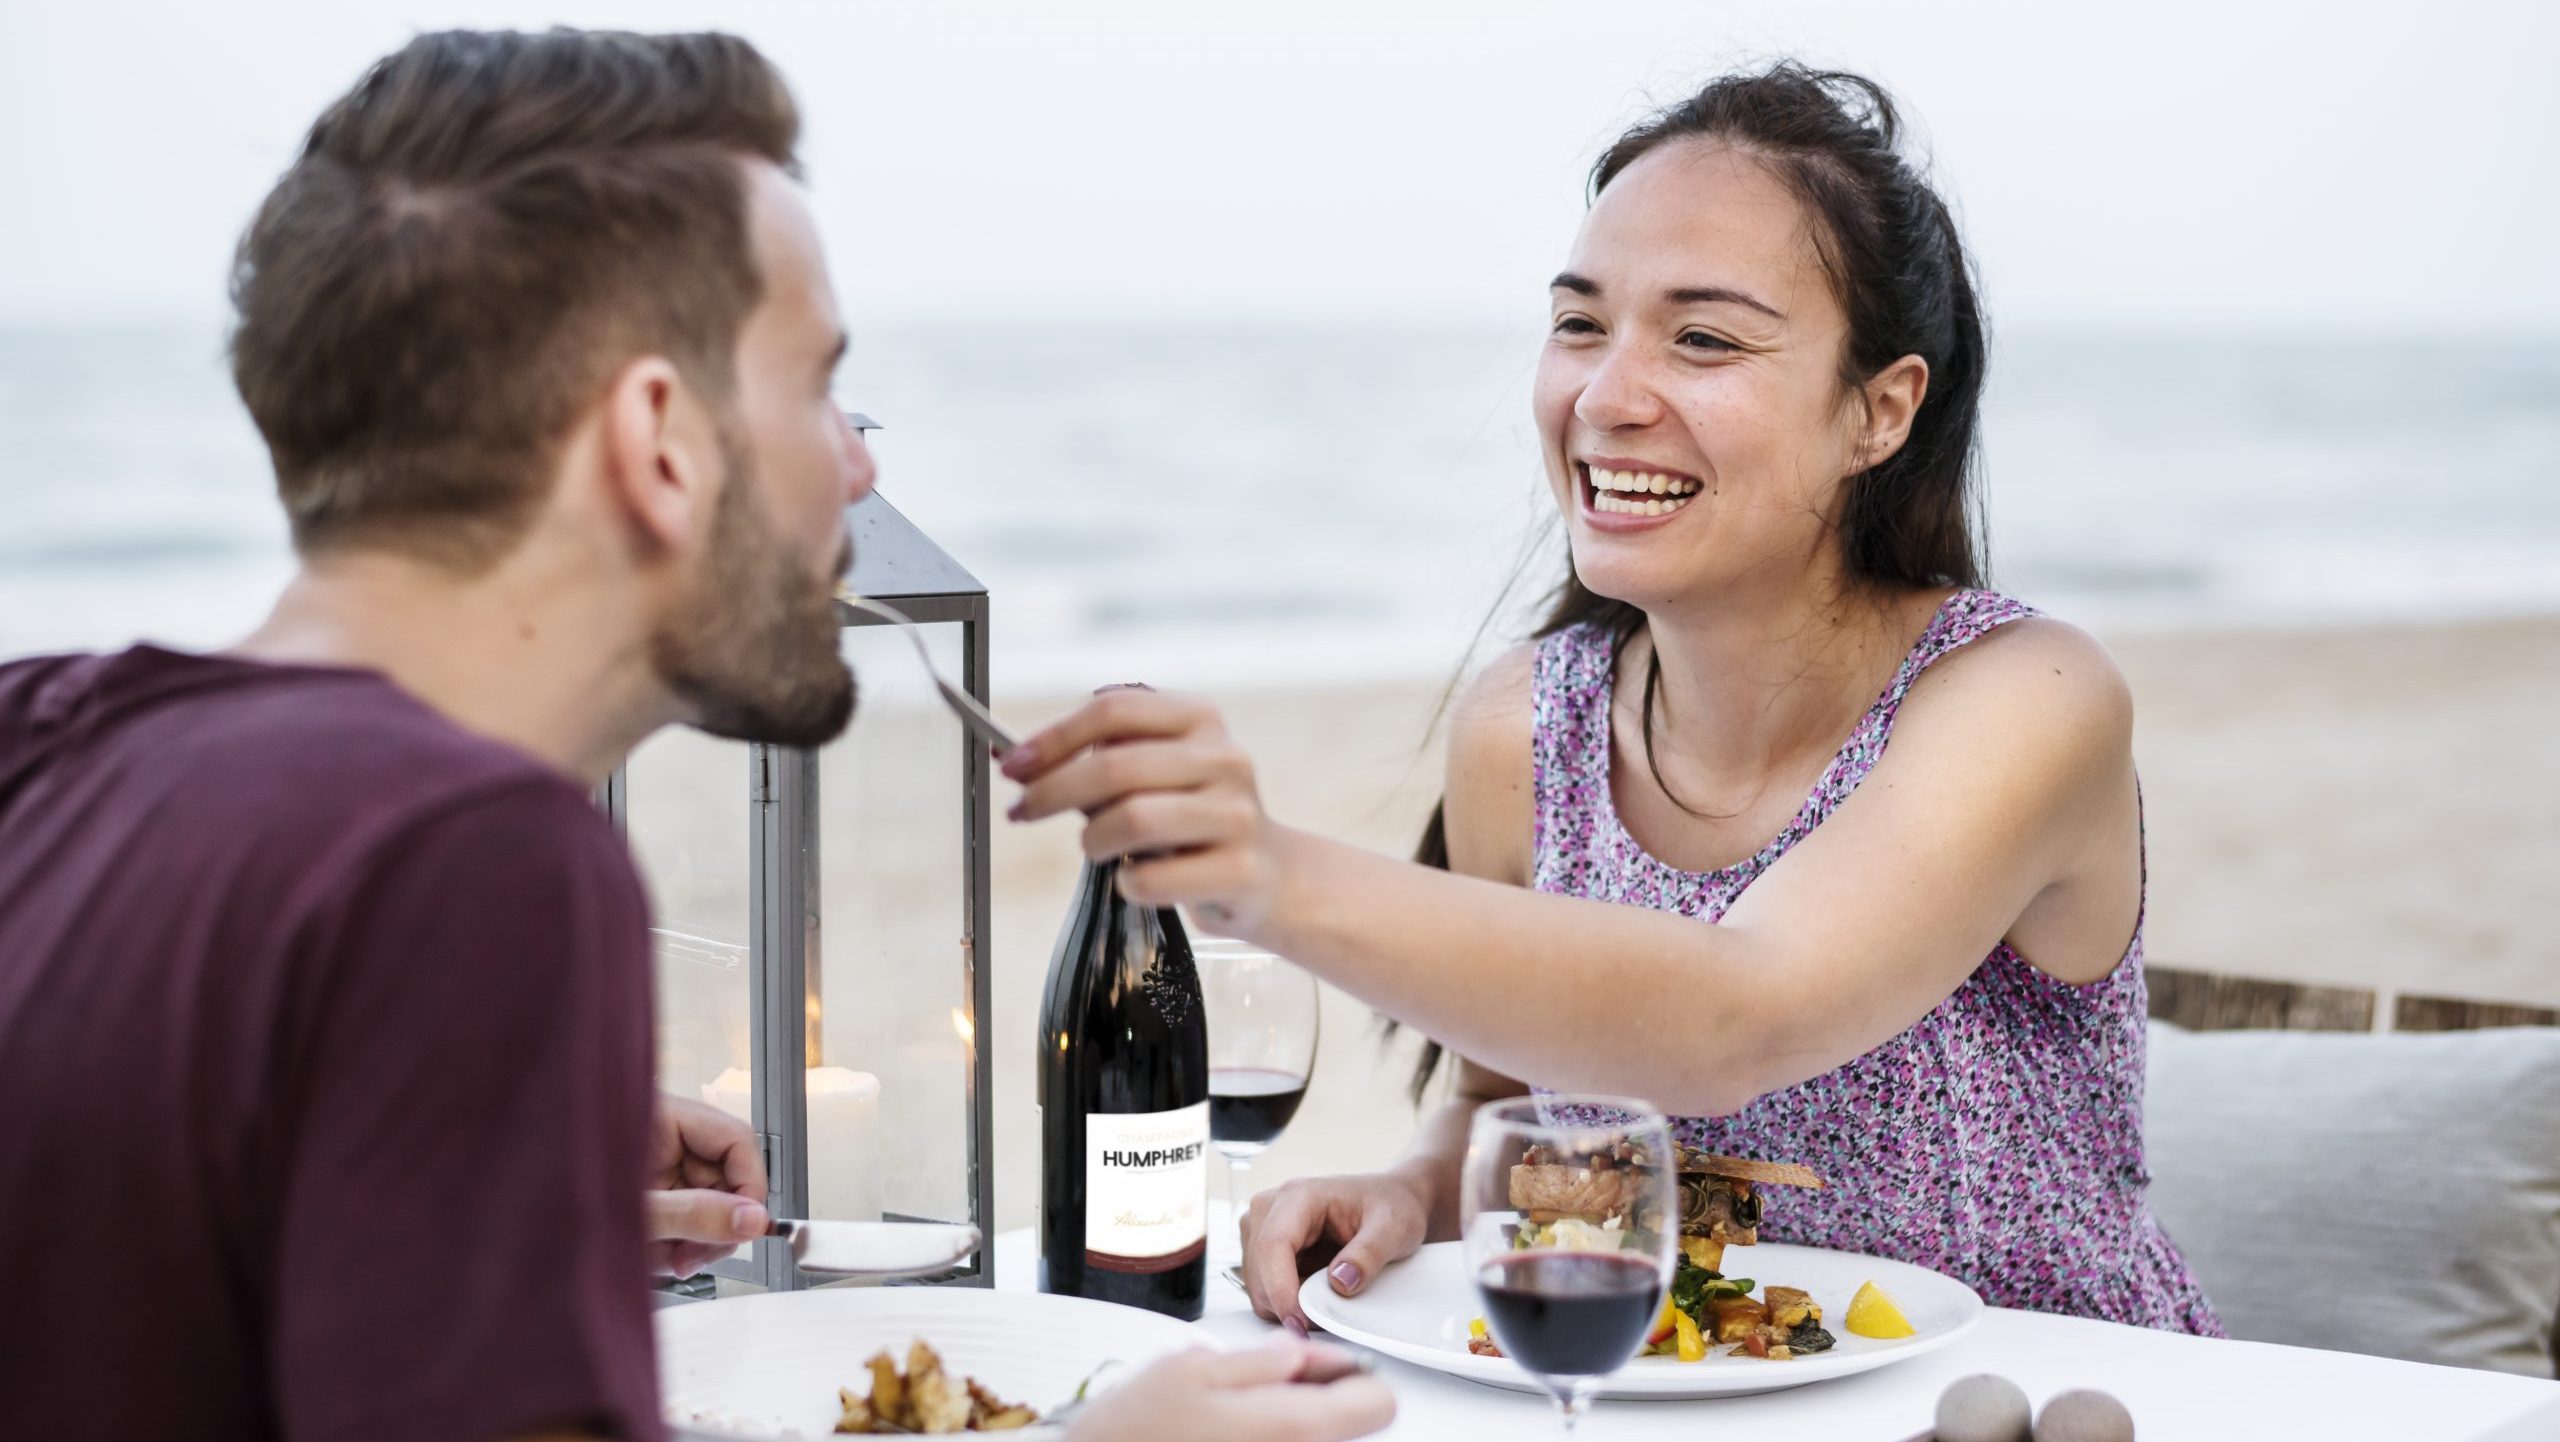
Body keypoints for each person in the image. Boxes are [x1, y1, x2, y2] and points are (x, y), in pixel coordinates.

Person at [0, 29, 1390, 1442]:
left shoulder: (38, 736)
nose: (859, 464)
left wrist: (489, 1187)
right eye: (816, 391)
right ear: (662, 437)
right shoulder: (477, 864)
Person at [1006, 64, 2222, 1338]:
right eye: (1581, 324)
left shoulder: (2025, 698)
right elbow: (1498, 1102)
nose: (1604, 395)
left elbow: (1735, 1011)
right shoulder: (1522, 731)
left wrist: (1267, 873)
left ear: (1880, 409)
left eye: (1702, 337)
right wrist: (1412, 1190)